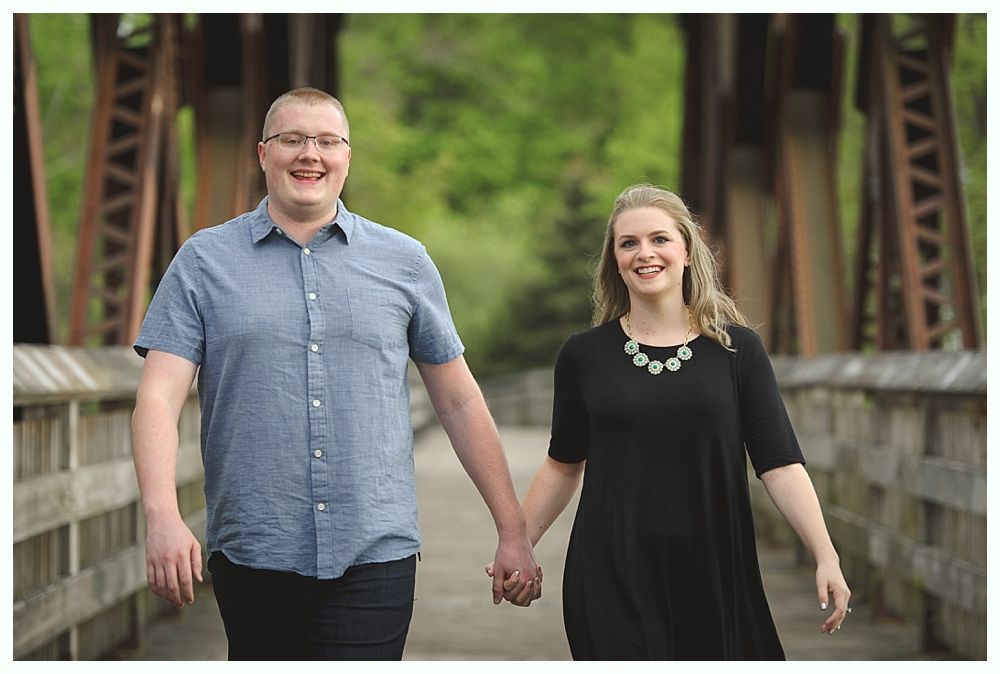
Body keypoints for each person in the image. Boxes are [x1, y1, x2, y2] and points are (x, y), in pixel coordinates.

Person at [131, 87, 540, 661]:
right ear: (263, 153)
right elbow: (158, 397)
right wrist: (163, 518)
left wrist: (513, 529)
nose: (310, 154)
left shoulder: (404, 261)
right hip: (254, 545)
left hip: (375, 547)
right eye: (292, 139)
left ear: (348, 156)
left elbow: (459, 402)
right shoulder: (203, 261)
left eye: (327, 141)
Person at [489, 184, 851, 659]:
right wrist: (518, 545)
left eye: (659, 239)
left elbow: (779, 464)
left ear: (686, 248)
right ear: (614, 260)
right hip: (610, 570)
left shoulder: (737, 351)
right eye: (629, 243)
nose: (645, 253)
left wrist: (825, 554)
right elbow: (562, 465)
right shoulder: (584, 355)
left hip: (715, 568)